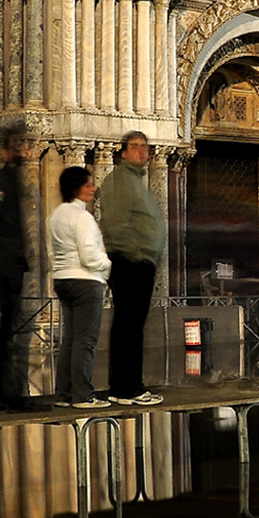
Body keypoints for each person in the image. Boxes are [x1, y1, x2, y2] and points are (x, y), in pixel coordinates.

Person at [95, 130, 166, 407]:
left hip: (138, 262)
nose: (141, 151)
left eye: (144, 147)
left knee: (133, 326)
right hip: (130, 262)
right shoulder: (120, 180)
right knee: (128, 326)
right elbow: (116, 223)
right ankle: (126, 388)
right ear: (122, 152)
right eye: (134, 146)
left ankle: (129, 386)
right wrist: (137, 255)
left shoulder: (133, 181)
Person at [48, 165, 111, 409]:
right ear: (75, 189)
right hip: (85, 280)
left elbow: (52, 251)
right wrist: (107, 266)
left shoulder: (55, 215)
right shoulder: (82, 216)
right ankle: (83, 395)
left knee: (70, 340)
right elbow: (89, 255)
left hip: (63, 279)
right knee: (85, 340)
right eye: (88, 185)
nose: (93, 188)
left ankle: (63, 394)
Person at [0, 127, 32, 410]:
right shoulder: (2, 180)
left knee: (13, 325)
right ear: (4, 151)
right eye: (16, 146)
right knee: (9, 328)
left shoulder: (15, 179)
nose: (22, 151)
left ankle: (13, 389)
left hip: (12, 260)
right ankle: (7, 391)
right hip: (6, 262)